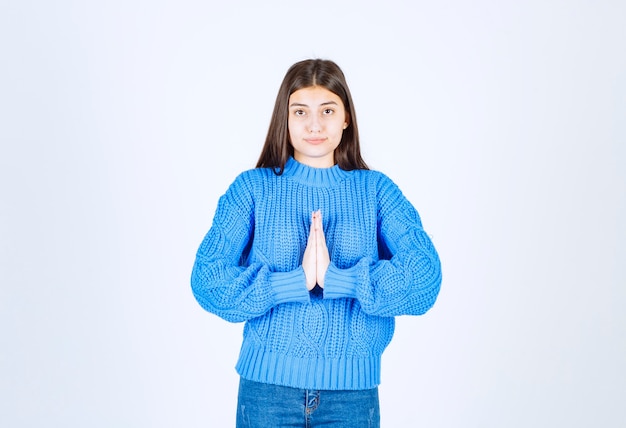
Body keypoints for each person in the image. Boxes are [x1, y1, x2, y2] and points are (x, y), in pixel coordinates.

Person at [191, 59, 442, 427]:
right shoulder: (251, 189)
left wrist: (339, 279)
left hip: (352, 398)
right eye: (300, 111)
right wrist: (293, 283)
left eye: (327, 110)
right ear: (285, 117)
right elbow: (207, 280)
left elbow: (426, 278)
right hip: (266, 394)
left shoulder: (376, 191)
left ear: (345, 118)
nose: (314, 124)